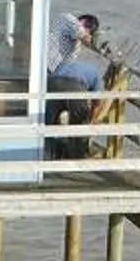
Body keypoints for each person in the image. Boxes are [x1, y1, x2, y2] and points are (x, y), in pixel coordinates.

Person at [46, 12, 107, 158]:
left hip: (52, 78)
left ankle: (51, 152)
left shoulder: (75, 47)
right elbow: (98, 102)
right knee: (79, 120)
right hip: (49, 73)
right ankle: (76, 155)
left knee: (49, 118)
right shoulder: (68, 19)